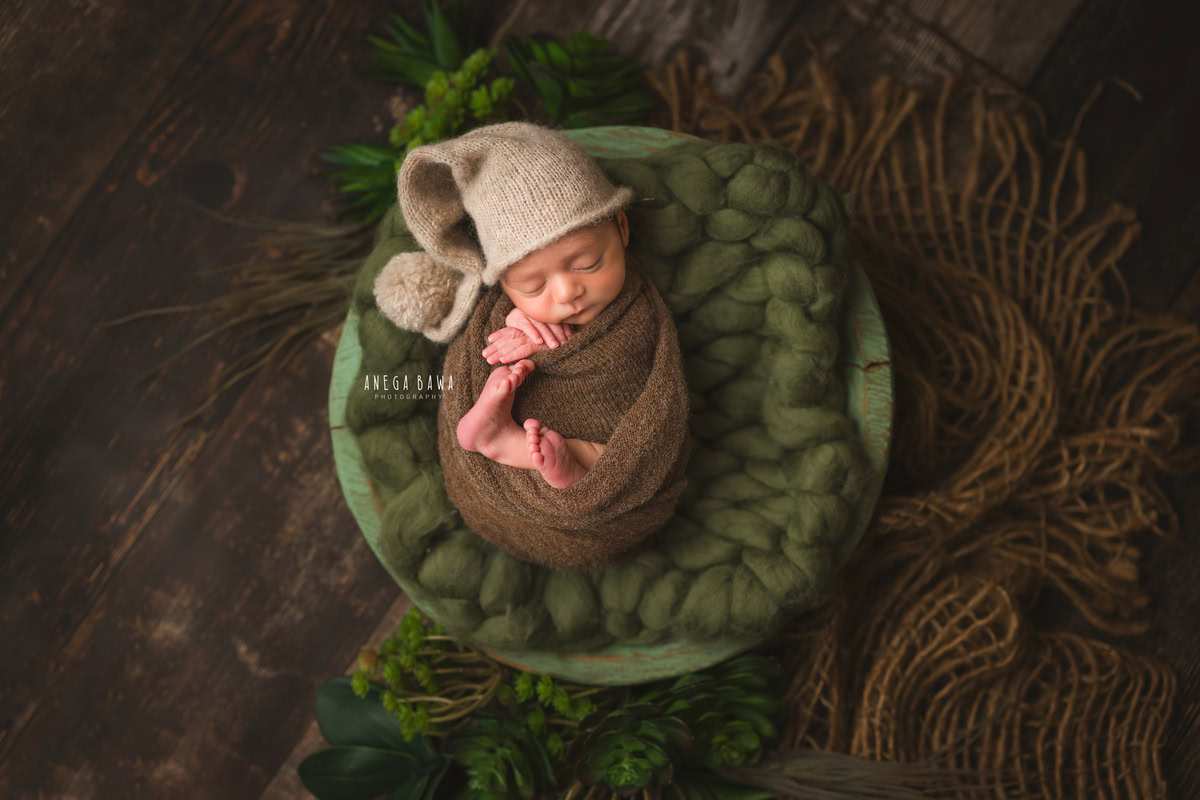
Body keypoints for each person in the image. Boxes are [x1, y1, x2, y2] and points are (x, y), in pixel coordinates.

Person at [455, 209, 631, 489]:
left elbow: (637, 357)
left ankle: (510, 445)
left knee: (628, 463)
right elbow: (486, 341)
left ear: (622, 226)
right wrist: (512, 320)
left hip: (608, 434)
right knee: (612, 469)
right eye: (533, 286)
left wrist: (554, 341)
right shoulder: (500, 307)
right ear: (502, 285)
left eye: (588, 264)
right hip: (536, 424)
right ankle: (508, 443)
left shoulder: (637, 307)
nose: (566, 293)